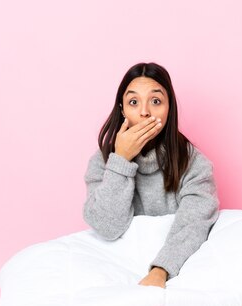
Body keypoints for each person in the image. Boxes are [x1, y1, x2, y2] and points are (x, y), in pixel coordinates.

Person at [83, 62, 220, 289]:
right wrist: (121, 160)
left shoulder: (194, 163)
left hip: (173, 268)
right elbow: (105, 227)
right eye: (133, 102)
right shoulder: (103, 161)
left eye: (156, 101)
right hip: (118, 266)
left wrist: (160, 271)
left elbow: (193, 225)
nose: (144, 112)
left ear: (169, 108)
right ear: (122, 109)